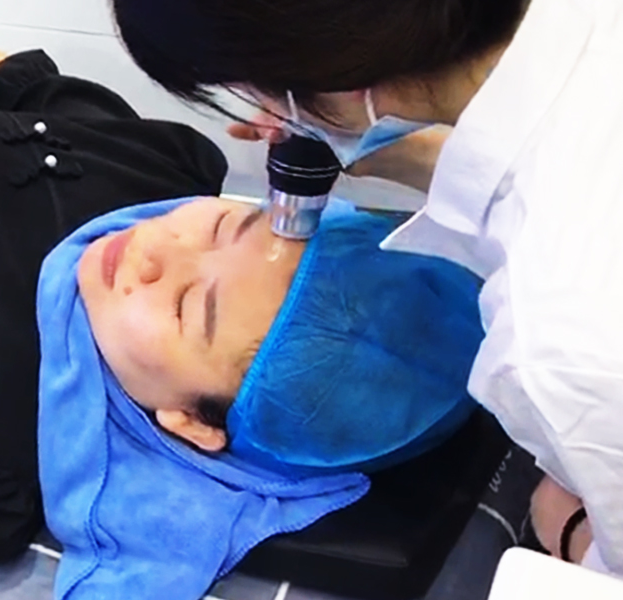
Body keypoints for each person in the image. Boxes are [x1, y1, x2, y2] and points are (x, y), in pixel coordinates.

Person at [0, 37, 483, 593]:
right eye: (229, 225)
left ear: (191, 422)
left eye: (187, 307)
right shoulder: (160, 171)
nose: (158, 250)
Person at [112, 0, 623, 574]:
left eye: (188, 307)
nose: (149, 253)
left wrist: (574, 534)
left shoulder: (559, 344)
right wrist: (388, 153)